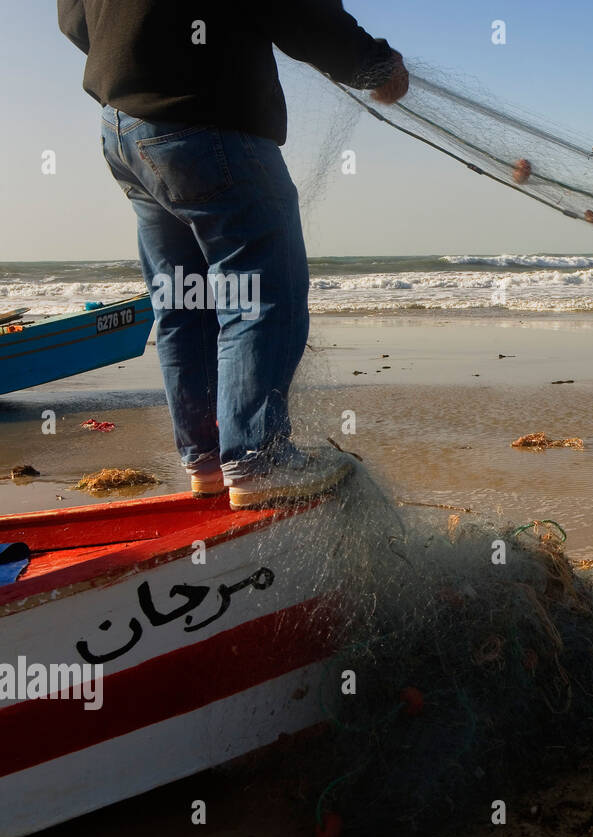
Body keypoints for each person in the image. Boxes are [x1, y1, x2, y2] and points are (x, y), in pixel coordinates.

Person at [58, 1, 410, 509]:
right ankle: (256, 460)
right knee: (262, 297)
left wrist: (142, 52)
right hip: (208, 124)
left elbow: (73, 19)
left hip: (125, 128)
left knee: (185, 301)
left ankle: (206, 462)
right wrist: (372, 65)